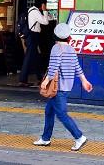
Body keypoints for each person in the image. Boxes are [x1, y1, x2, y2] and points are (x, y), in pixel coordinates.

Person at [34, 23, 94, 151]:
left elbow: (54, 67)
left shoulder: (56, 48)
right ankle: (45, 138)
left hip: (58, 87)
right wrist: (84, 80)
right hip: (67, 86)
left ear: (55, 35)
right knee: (49, 111)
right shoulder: (71, 49)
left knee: (61, 114)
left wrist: (46, 81)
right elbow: (77, 67)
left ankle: (79, 137)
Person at [17, 0, 50, 87]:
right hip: (32, 36)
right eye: (45, 5)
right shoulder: (35, 11)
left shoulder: (31, 10)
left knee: (36, 57)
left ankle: (40, 78)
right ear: (41, 5)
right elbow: (45, 22)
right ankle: (22, 80)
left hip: (32, 36)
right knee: (28, 57)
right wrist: (45, 11)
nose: (46, 6)